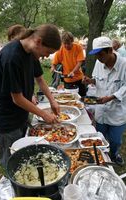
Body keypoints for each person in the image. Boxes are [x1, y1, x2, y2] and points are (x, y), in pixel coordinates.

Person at [0, 24, 61, 168]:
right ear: (38, 41)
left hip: (23, 111)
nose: (47, 56)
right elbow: (16, 98)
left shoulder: (31, 52)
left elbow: (41, 79)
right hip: (7, 117)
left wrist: (53, 101)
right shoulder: (11, 57)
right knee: (12, 159)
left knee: (26, 151)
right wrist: (43, 114)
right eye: (48, 52)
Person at [83, 36, 126, 165]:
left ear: (110, 51)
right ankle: (102, 157)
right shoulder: (99, 63)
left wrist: (112, 97)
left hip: (117, 112)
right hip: (101, 109)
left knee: (115, 140)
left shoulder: (124, 64)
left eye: (100, 55)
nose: (98, 58)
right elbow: (97, 80)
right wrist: (90, 81)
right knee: (100, 137)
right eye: (96, 56)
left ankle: (114, 154)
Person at [7, 24, 37, 105]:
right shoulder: (11, 57)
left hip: (23, 104)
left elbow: (30, 79)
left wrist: (31, 94)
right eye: (12, 38)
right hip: (9, 106)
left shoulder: (28, 53)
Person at [51, 31, 86, 96]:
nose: (66, 45)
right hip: (67, 80)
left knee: (82, 97)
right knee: (69, 98)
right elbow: (55, 62)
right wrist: (53, 67)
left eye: (68, 43)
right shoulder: (61, 49)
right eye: (65, 44)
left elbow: (80, 62)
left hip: (79, 78)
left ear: (72, 41)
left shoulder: (78, 47)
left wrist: (73, 72)